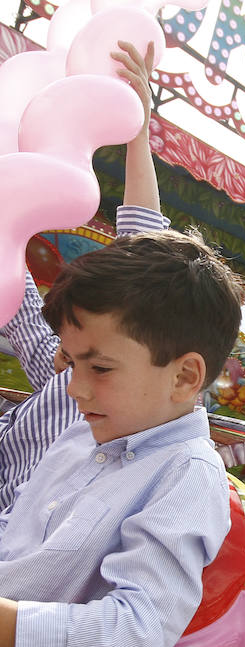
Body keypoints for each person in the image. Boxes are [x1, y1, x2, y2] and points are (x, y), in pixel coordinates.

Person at [0, 224, 245, 647]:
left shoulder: (187, 474)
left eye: (100, 368)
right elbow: (17, 526)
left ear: (185, 377)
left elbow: (139, 628)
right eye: (71, 363)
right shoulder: (83, 431)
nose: (74, 388)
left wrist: (11, 624)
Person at [0, 40, 166, 511]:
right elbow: (19, 294)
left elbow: (142, 242)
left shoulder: (117, 401)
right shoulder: (58, 369)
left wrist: (139, 132)